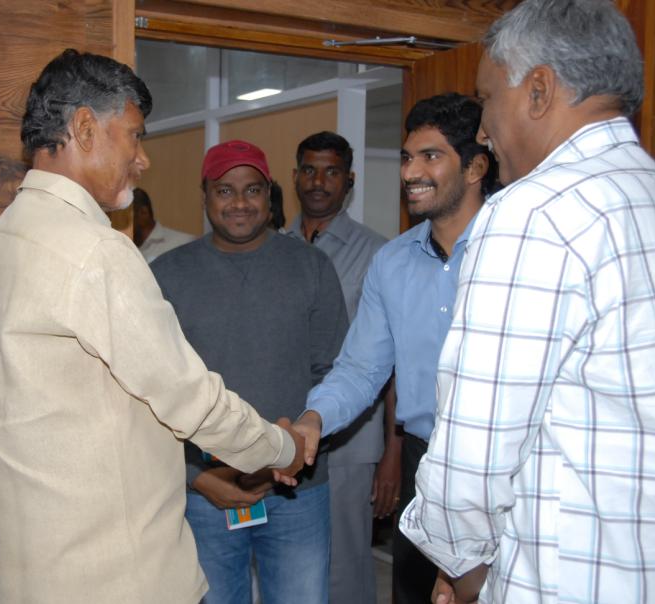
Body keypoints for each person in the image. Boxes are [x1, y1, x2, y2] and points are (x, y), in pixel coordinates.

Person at [398, 1, 655, 602]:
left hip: (571, 577)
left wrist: (459, 564)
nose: (486, 132)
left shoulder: (533, 213)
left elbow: (476, 440)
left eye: (488, 99)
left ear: (540, 89)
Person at [0, 50, 305, 604]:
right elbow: (192, 400)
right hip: (114, 576)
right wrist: (283, 448)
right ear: (85, 128)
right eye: (135, 137)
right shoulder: (95, 252)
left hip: (24, 576)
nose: (142, 161)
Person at [292, 95, 498, 604]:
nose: (411, 172)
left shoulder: (518, 247)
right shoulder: (393, 262)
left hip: (505, 469)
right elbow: (362, 368)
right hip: (424, 466)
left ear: (475, 166)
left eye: (431, 156)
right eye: (407, 157)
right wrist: (313, 420)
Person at [151, 139, 348, 604]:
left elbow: (334, 374)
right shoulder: (166, 275)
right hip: (205, 494)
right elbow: (151, 393)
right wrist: (192, 476)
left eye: (252, 190)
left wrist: (291, 454)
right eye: (225, 191)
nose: (239, 203)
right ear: (205, 195)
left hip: (296, 490)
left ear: (270, 194)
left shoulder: (311, 267)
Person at [285, 130, 396, 604]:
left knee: (345, 565)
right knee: (289, 558)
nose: (318, 181)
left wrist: (393, 450)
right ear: (295, 177)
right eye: (309, 169)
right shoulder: (274, 246)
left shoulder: (379, 254)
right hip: (286, 428)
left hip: (352, 440)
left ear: (349, 180)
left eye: (331, 171)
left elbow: (391, 362)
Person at [132, 186, 195, 262]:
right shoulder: (121, 248)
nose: (118, 223)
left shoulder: (184, 243)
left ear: (144, 212)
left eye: (124, 217)